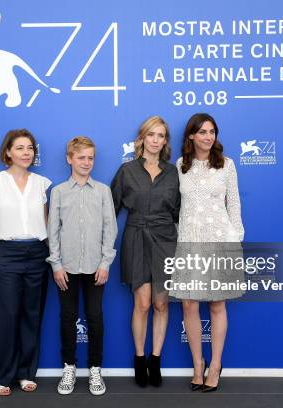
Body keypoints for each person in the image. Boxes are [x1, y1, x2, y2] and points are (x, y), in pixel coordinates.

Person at [169, 113, 245, 392]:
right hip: (189, 242)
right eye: (202, 132)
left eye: (212, 131)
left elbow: (234, 204)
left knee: (216, 304)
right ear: (191, 136)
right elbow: (177, 207)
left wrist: (235, 239)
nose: (208, 136)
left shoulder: (227, 165)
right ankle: (197, 364)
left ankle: (216, 365)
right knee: (188, 304)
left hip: (220, 242)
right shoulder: (180, 166)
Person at [0, 129, 51, 397]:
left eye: (30, 148)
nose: (26, 153)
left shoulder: (42, 183)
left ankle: (26, 373)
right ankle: (4, 376)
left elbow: (43, 222)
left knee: (32, 316)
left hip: (37, 253)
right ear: (8, 151)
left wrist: (48, 252)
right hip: (5, 253)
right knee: (7, 316)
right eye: (20, 148)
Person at [110, 116, 180, 387]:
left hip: (165, 240)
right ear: (141, 139)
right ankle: (139, 359)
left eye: (160, 135)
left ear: (165, 141)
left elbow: (179, 211)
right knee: (142, 303)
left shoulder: (174, 172)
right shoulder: (127, 170)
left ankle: (155, 359)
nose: (155, 140)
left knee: (162, 303)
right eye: (150, 134)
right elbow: (111, 210)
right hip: (136, 237)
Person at [47, 137, 117, 396]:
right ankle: (69, 367)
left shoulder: (102, 191)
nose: (86, 162)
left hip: (95, 267)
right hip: (66, 268)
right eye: (81, 157)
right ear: (70, 159)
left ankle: (95, 369)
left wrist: (105, 262)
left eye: (90, 158)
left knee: (95, 317)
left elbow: (110, 229)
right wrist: (56, 264)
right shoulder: (58, 192)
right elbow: (52, 230)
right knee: (67, 317)